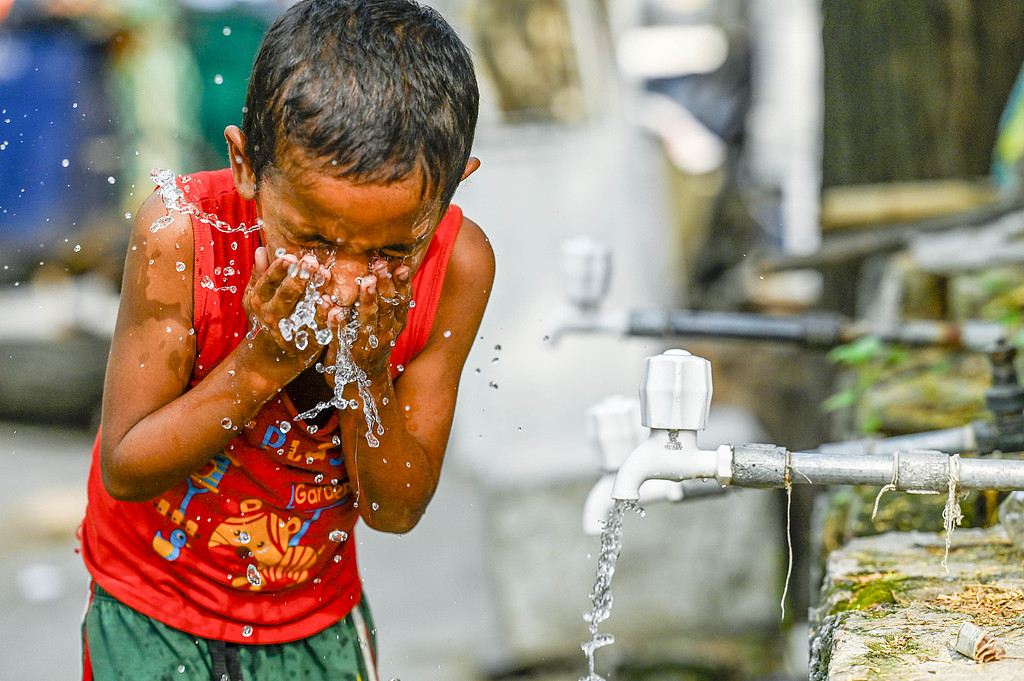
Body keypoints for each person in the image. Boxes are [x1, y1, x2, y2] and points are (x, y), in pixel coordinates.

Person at [78, 1, 493, 679]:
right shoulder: (184, 235)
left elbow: (395, 509)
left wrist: (365, 374)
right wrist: (263, 362)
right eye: (312, 240)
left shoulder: (460, 267)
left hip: (315, 620)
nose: (350, 280)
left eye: (392, 250)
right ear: (246, 167)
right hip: (154, 610)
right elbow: (126, 465)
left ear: (449, 195)